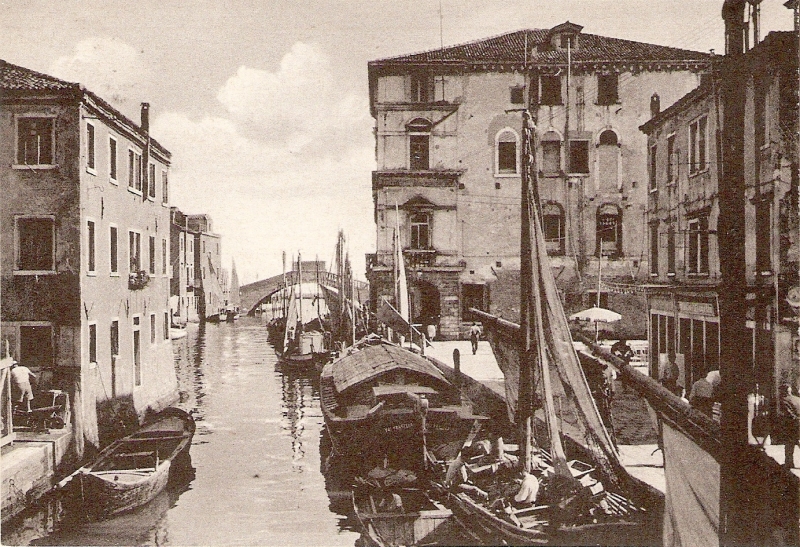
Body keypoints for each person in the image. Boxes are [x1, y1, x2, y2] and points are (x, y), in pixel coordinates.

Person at [780, 383, 800, 470]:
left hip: (791, 425)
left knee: (789, 444)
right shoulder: (798, 399)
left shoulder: (784, 400)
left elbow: (788, 413)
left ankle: (789, 463)